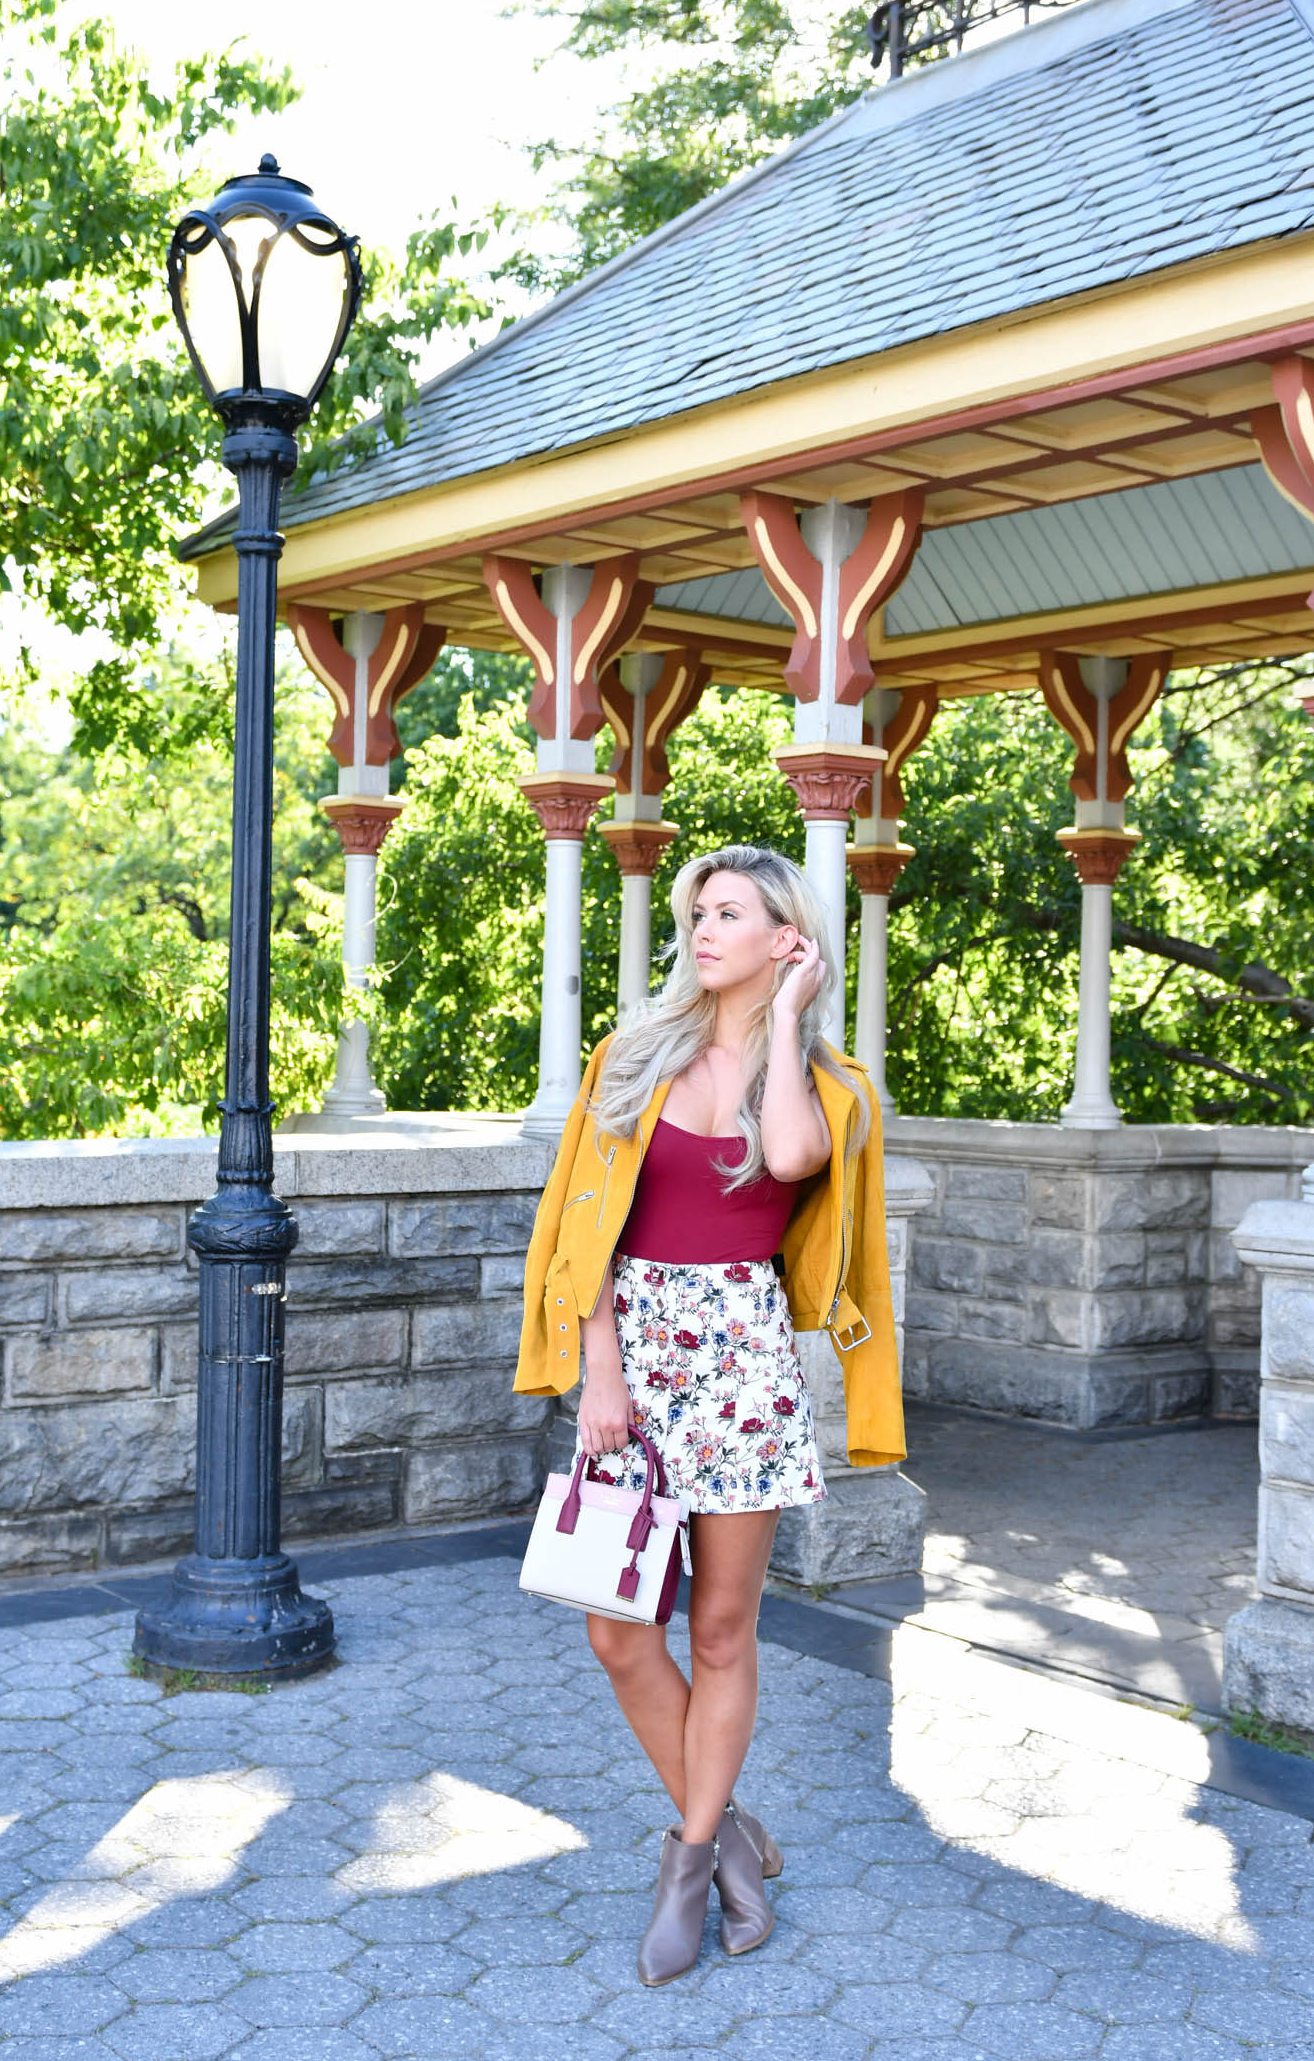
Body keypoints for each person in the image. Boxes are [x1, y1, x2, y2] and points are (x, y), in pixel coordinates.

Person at [515, 844, 904, 1986]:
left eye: (726, 913)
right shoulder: (627, 1059)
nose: (698, 929)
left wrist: (783, 1018)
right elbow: (588, 1232)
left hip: (740, 1370)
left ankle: (690, 1866)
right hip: (630, 1362)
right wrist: (598, 1372)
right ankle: (728, 1829)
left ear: (786, 938)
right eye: (693, 911)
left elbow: (786, 1155)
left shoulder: (831, 1089)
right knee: (612, 1626)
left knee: (721, 1630)